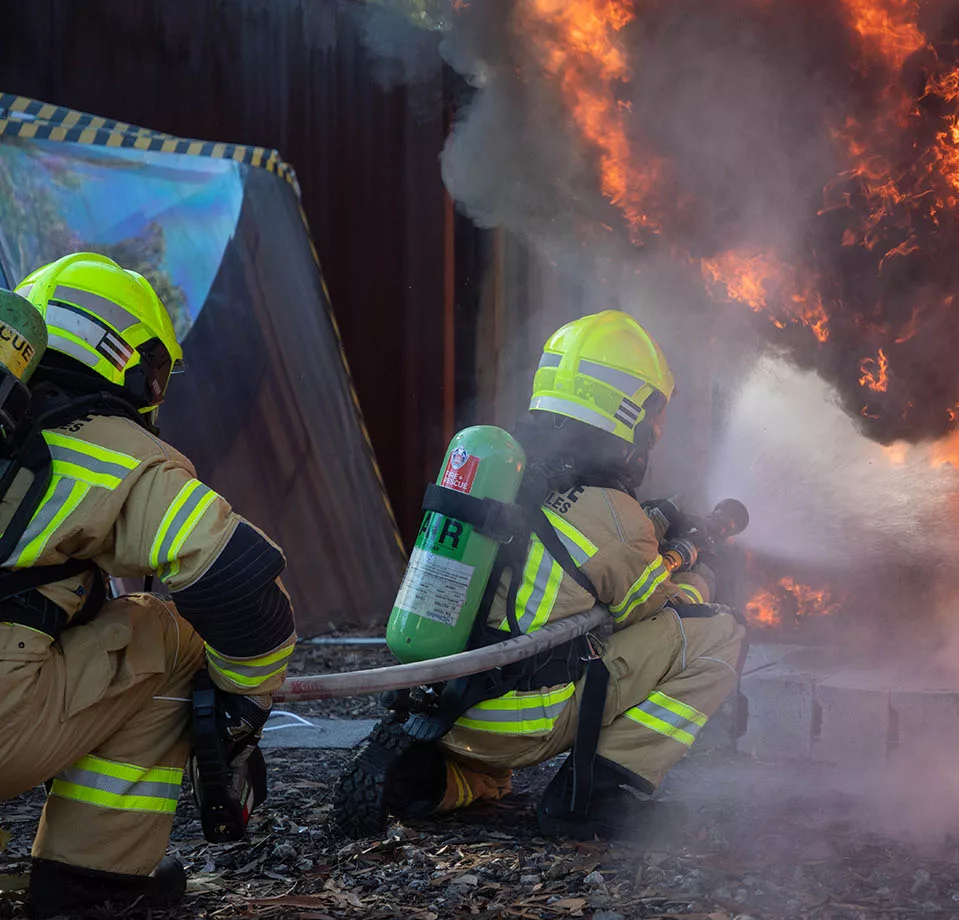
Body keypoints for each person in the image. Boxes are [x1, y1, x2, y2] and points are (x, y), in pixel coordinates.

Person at [354, 309, 744, 840]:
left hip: (440, 699)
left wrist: (647, 528)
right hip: (518, 724)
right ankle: (592, 798)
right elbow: (652, 608)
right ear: (630, 409)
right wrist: (703, 571)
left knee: (495, 773)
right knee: (718, 633)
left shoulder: (502, 468)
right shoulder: (617, 519)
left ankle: (437, 778)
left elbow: (557, 544)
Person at [0, 253, 296, 917]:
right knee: (169, 633)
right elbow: (236, 576)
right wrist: (245, 703)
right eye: (154, 372)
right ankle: (92, 884)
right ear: (118, 353)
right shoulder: (107, 446)